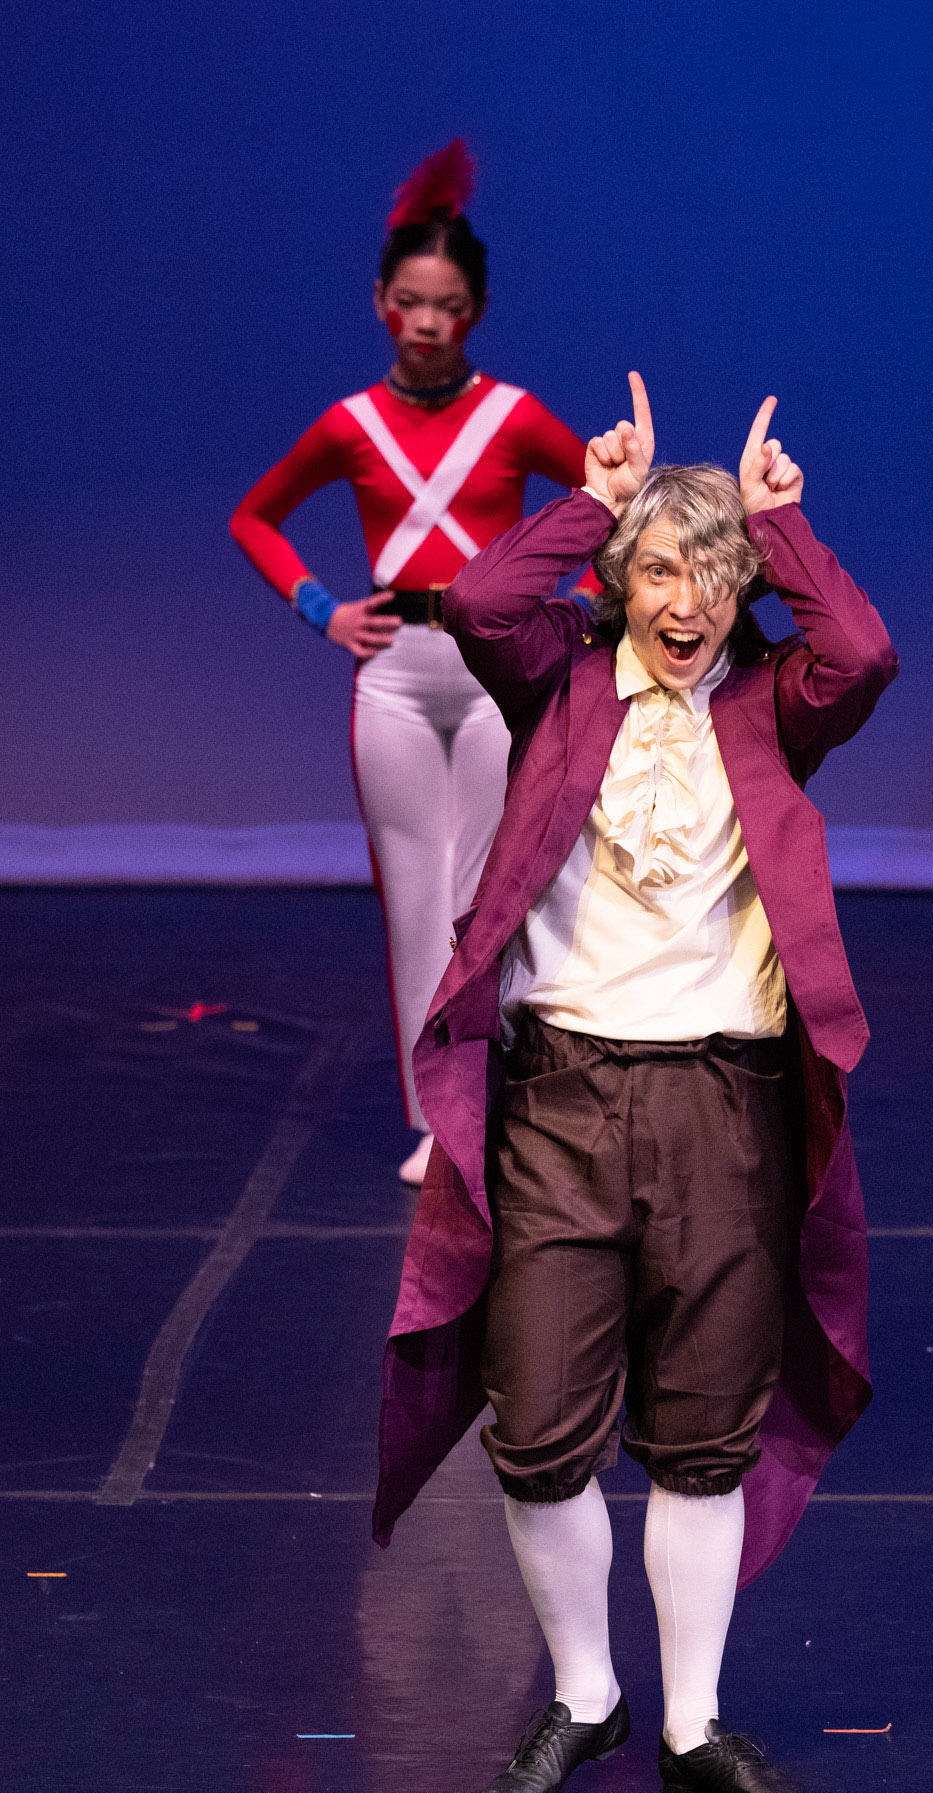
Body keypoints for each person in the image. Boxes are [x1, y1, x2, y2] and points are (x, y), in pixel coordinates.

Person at [371, 374, 897, 1793]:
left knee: (704, 1434)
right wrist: (593, 502)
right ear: (620, 582)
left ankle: (692, 1723)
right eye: (661, 570)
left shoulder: (772, 704)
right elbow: (482, 600)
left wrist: (776, 528)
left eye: (713, 578)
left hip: (723, 1105)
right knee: (537, 1422)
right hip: (560, 1101)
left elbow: (861, 648)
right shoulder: (556, 676)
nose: (687, 602)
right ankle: (585, 1698)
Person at [229, 142, 590, 1183]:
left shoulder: (512, 417)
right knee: (413, 902)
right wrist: (321, 610)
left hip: (489, 678)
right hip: (390, 676)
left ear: (477, 311)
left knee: (483, 892)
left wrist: (567, 607)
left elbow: (612, 505)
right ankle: (438, 1119)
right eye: (409, 303)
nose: (427, 322)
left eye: (448, 306)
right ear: (380, 303)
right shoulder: (349, 425)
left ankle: (495, 1102)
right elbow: (255, 518)